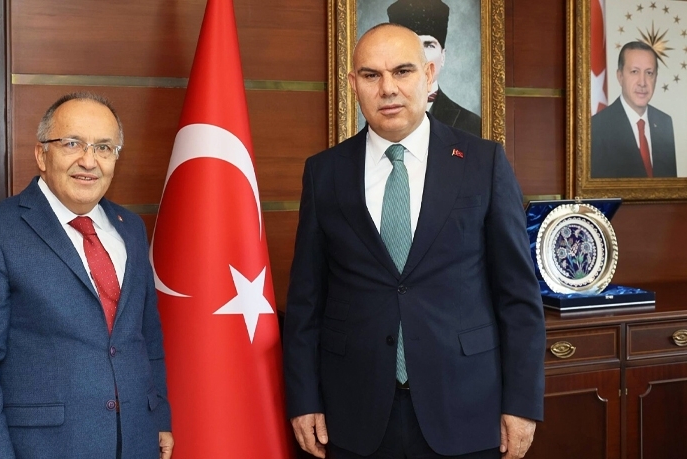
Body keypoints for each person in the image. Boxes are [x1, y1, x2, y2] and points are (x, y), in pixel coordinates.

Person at [283, 24, 544, 459]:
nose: (388, 88)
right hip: (353, 413)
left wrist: (521, 403)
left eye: (402, 71)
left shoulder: (483, 163)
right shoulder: (324, 172)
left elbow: (518, 296)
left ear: (428, 75)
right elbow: (306, 302)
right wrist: (304, 398)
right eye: (371, 75)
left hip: (466, 407)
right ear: (353, 84)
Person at [0, 92, 173, 459]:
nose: (89, 160)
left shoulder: (130, 227)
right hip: (46, 448)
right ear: (42, 154)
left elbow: (147, 336)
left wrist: (159, 416)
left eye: (104, 147)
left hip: (137, 440)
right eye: (72, 144)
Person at [387, 0, 482, 137]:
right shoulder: (380, 115)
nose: (420, 55)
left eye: (429, 45)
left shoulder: (471, 124)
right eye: (410, 45)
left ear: (443, 56)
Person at [591, 41, 677, 178]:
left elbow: (668, 185)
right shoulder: (597, 127)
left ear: (655, 78)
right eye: (634, 72)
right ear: (620, 76)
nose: (642, 82)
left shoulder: (664, 122)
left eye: (649, 73)